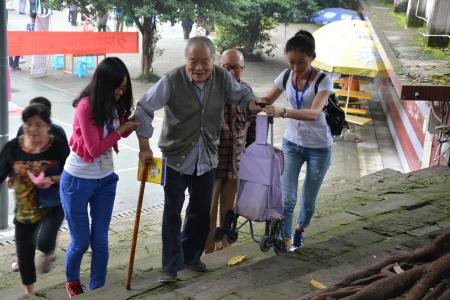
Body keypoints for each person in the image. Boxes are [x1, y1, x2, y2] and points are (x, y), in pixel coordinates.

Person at [135, 36, 261, 283]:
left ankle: (191, 257)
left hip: (207, 157)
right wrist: (144, 145)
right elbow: (143, 107)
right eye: (194, 61)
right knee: (172, 212)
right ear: (186, 60)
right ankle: (170, 267)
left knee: (201, 212)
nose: (199, 67)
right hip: (175, 157)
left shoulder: (222, 78)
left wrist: (252, 103)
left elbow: (241, 94)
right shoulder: (172, 80)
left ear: (213, 61)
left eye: (205, 61)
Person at [60, 57, 139, 297]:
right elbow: (94, 149)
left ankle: (97, 288)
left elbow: (118, 134)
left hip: (105, 180)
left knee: (101, 241)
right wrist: (121, 130)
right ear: (104, 85)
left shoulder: (116, 105)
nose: (120, 92)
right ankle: (72, 280)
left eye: (124, 87)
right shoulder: (86, 106)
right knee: (81, 241)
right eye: (117, 87)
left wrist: (130, 124)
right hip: (77, 180)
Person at [262, 30, 333, 251]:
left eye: (301, 62)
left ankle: (300, 230)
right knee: (288, 197)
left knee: (308, 201)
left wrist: (283, 112)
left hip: (319, 147)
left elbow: (314, 113)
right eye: (291, 62)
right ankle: (285, 240)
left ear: (312, 57)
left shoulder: (323, 80)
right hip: (292, 143)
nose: (295, 67)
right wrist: (249, 101)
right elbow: (266, 99)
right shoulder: (286, 76)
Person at [0, 103, 70, 295]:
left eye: (38, 124)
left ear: (48, 126)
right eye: (28, 124)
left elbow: (73, 175)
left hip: (52, 206)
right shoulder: (13, 147)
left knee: (44, 241)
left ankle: (48, 252)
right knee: (24, 257)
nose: (33, 129)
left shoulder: (58, 147)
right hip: (25, 210)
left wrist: (52, 179)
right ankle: (30, 293)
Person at [204, 49, 255, 254]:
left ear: (243, 69)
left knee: (229, 208)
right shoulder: (210, 90)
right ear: (218, 67)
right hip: (212, 161)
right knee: (208, 207)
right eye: (227, 67)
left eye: (236, 67)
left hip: (236, 160)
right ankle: (206, 248)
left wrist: (251, 158)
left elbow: (250, 128)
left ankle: (224, 246)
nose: (232, 72)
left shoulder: (246, 91)